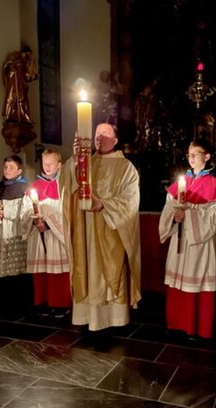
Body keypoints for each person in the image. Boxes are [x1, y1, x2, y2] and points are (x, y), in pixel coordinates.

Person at [61, 123, 141, 332]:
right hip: (84, 229)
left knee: (109, 271)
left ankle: (111, 319)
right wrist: (76, 160)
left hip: (110, 229)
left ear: (115, 140)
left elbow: (130, 201)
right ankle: (87, 316)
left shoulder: (126, 167)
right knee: (85, 268)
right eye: (96, 134)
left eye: (105, 134)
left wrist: (103, 204)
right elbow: (66, 186)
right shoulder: (85, 162)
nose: (99, 138)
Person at [158, 139, 216, 340]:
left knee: (197, 279)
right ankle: (176, 322)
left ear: (207, 157)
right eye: (189, 155)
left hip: (201, 244)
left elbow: (215, 218)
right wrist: (174, 215)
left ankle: (197, 327)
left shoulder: (214, 184)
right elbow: (168, 207)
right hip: (180, 241)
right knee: (178, 278)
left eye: (196, 154)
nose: (192, 158)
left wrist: (188, 214)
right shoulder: (181, 182)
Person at [20, 149, 71, 318]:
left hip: (56, 236)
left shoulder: (65, 186)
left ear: (59, 164)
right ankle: (41, 302)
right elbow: (26, 209)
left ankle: (60, 304)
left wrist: (48, 223)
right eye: (44, 164)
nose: (47, 167)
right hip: (38, 234)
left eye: (51, 164)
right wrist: (35, 220)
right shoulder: (35, 187)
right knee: (41, 269)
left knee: (58, 271)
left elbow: (67, 212)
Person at [0, 155, 32, 317]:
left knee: (16, 273)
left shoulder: (25, 188)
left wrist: (6, 212)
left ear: (19, 170)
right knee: (0, 272)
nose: (7, 170)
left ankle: (18, 305)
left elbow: (27, 211)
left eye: (11, 167)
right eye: (5, 167)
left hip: (15, 232)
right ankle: (0, 305)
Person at [2, 46, 38, 124]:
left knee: (22, 98)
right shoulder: (15, 57)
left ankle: (23, 115)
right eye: (26, 54)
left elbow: (26, 77)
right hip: (13, 80)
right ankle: (9, 114)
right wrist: (12, 67)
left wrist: (33, 76)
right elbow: (7, 65)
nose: (27, 57)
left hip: (20, 82)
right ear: (23, 53)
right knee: (11, 97)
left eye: (28, 55)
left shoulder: (25, 64)